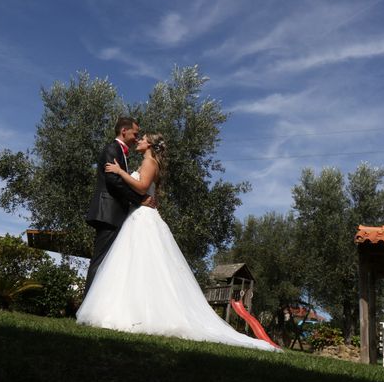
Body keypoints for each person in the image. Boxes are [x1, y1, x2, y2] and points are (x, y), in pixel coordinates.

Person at [77, 133, 280, 352]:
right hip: (139, 215)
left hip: (143, 218)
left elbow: (142, 186)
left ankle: (136, 315)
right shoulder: (148, 161)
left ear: (150, 145)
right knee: (136, 267)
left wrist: (119, 172)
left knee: (138, 264)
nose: (139, 141)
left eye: (143, 138)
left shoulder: (148, 162)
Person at [84, 117, 154, 298]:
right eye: (135, 133)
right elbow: (114, 182)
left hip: (115, 213)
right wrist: (139, 200)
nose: (136, 138)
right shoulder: (112, 149)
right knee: (100, 260)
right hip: (107, 212)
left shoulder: (122, 153)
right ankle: (86, 306)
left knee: (107, 261)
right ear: (124, 131)